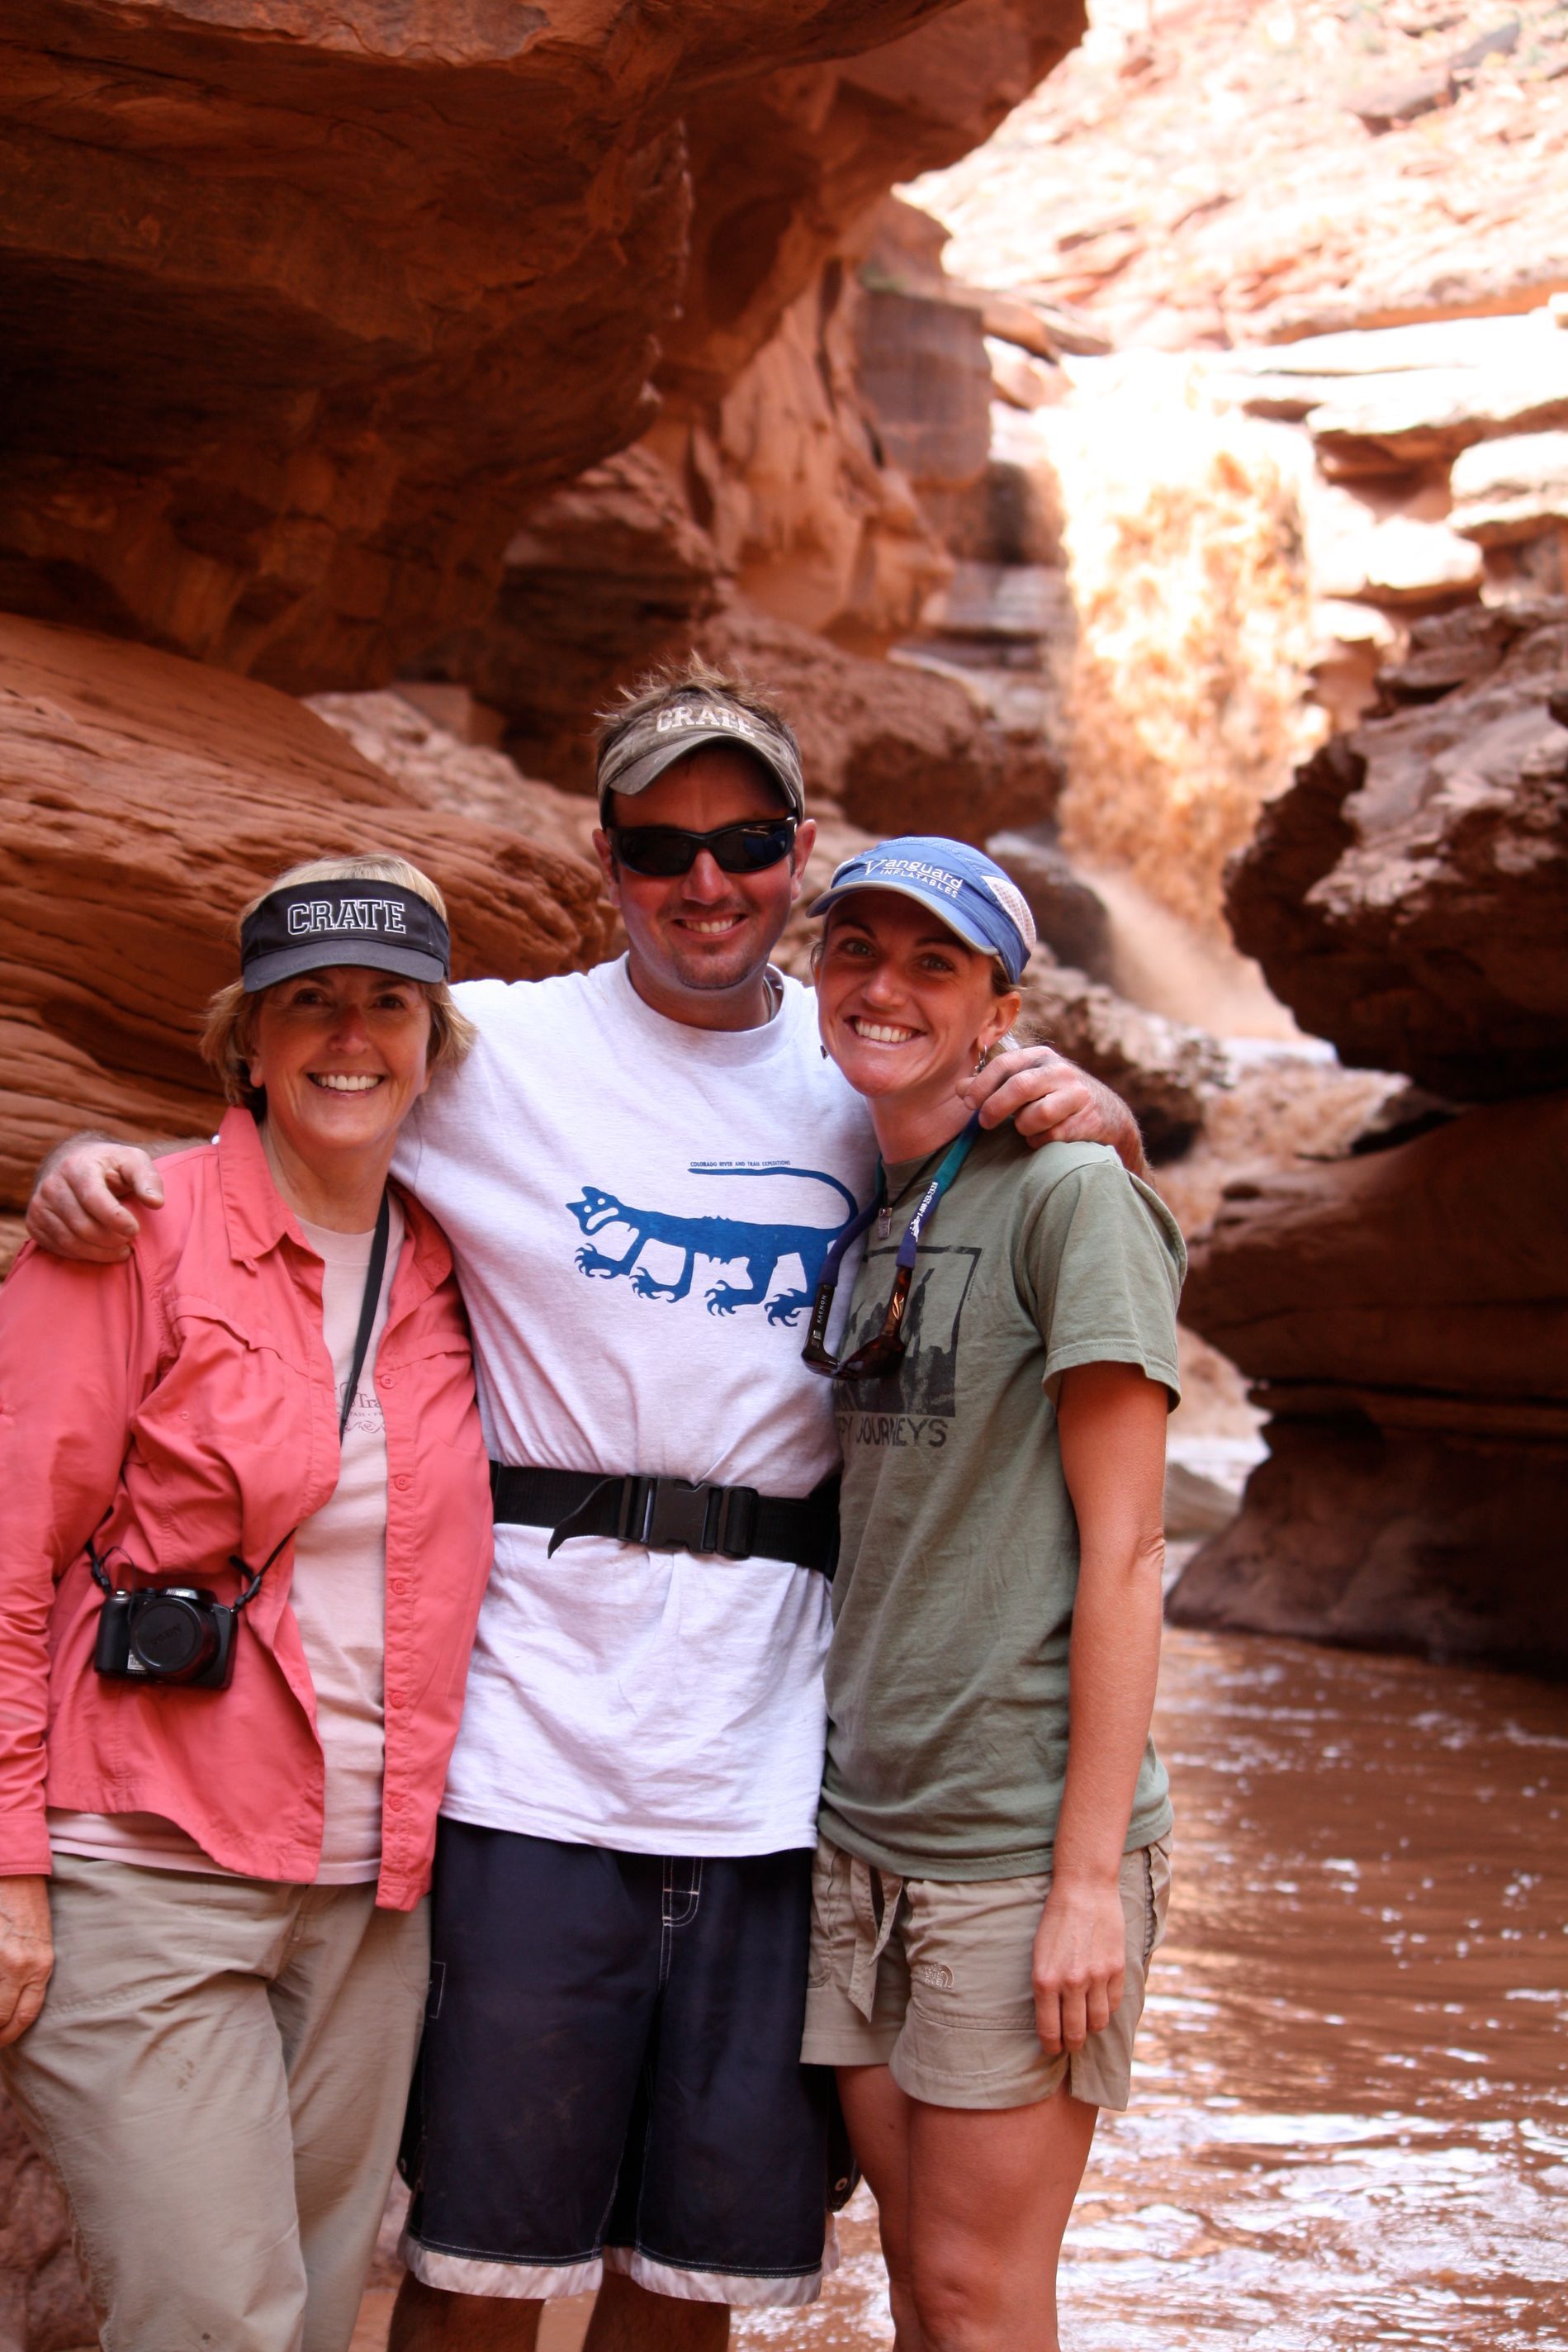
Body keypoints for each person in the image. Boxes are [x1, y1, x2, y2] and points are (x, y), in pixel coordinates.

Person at [26, 662, 1146, 2352]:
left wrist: (1101, 1112)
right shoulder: (495, 1049)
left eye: (746, 840)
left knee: (689, 2278)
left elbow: (1037, 1189)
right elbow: (301, 1117)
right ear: (603, 856)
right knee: (478, 2258)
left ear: (799, 852)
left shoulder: (870, 1066)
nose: (706, 880)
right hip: (524, 1752)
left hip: (776, 1772)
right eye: (660, 845)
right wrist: (91, 1163)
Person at [0, 855, 494, 2352]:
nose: (351, 1035)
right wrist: (8, 1865)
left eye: (388, 1004)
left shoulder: (461, 1262)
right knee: (219, 2321)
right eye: (310, 1004)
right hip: (145, 1867)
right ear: (249, 1042)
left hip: (370, 1904)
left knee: (319, 2308)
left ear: (433, 1046)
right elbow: (8, 1564)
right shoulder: (131, 1234)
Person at [797, 836, 1184, 2352]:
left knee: (978, 2292)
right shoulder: (879, 1204)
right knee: (921, 2280)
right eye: (855, 952)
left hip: (1017, 1849)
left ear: (1001, 1009)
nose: (883, 989)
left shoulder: (1071, 1197)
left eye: (933, 965)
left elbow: (1134, 1551)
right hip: (868, 1836)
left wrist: (1086, 1885)